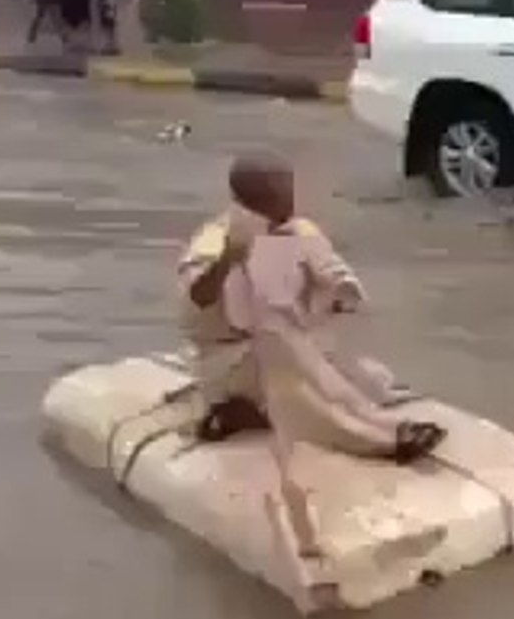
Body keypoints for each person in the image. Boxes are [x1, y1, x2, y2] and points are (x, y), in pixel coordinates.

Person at [177, 156, 441, 457]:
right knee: (304, 383)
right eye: (277, 193)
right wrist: (228, 259)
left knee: (371, 381)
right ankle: (381, 440)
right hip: (231, 357)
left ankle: (249, 414)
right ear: (250, 199)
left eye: (287, 189)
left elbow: (334, 272)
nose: (288, 199)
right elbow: (198, 297)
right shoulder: (212, 244)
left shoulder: (299, 231)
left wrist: (342, 293)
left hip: (293, 341)